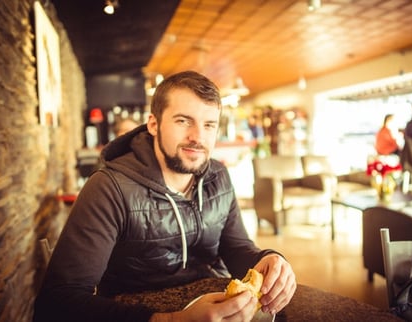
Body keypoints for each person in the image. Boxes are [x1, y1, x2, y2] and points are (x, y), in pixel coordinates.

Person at [34, 71, 296, 322]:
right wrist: (173, 320)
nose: (197, 137)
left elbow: (236, 247)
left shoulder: (218, 176)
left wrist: (269, 259)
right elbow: (58, 303)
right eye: (183, 121)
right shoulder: (109, 188)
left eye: (209, 125)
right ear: (153, 124)